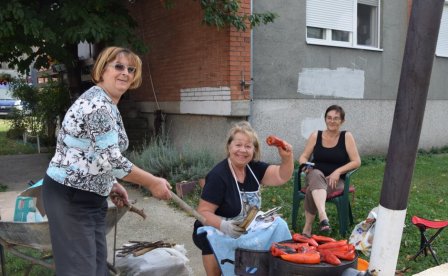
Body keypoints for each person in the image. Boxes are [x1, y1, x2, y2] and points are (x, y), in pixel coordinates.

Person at [42, 46, 173, 276]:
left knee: (96, 268)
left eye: (131, 69)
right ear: (102, 70)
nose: (126, 73)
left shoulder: (108, 102)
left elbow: (95, 152)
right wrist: (151, 182)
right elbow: (112, 159)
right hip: (71, 198)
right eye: (118, 66)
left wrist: (110, 182)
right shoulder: (98, 105)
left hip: (91, 198)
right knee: (80, 271)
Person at [192, 121, 294, 276]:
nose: (242, 150)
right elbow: (203, 212)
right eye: (238, 145)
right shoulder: (218, 175)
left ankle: (275, 268)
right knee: (211, 239)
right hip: (216, 227)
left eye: (248, 146)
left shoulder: (254, 168)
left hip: (246, 225)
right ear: (229, 147)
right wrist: (224, 225)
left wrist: (287, 159)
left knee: (279, 224)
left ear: (254, 150)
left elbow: (281, 176)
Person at [299, 105, 361, 236]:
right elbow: (304, 156)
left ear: (342, 121)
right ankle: (323, 215)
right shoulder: (316, 135)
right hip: (315, 175)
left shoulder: (346, 137)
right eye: (329, 117)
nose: (332, 121)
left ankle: (308, 227)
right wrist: (305, 164)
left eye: (336, 118)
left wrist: (338, 172)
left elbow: (356, 161)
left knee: (312, 189)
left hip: (336, 182)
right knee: (315, 174)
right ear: (325, 119)